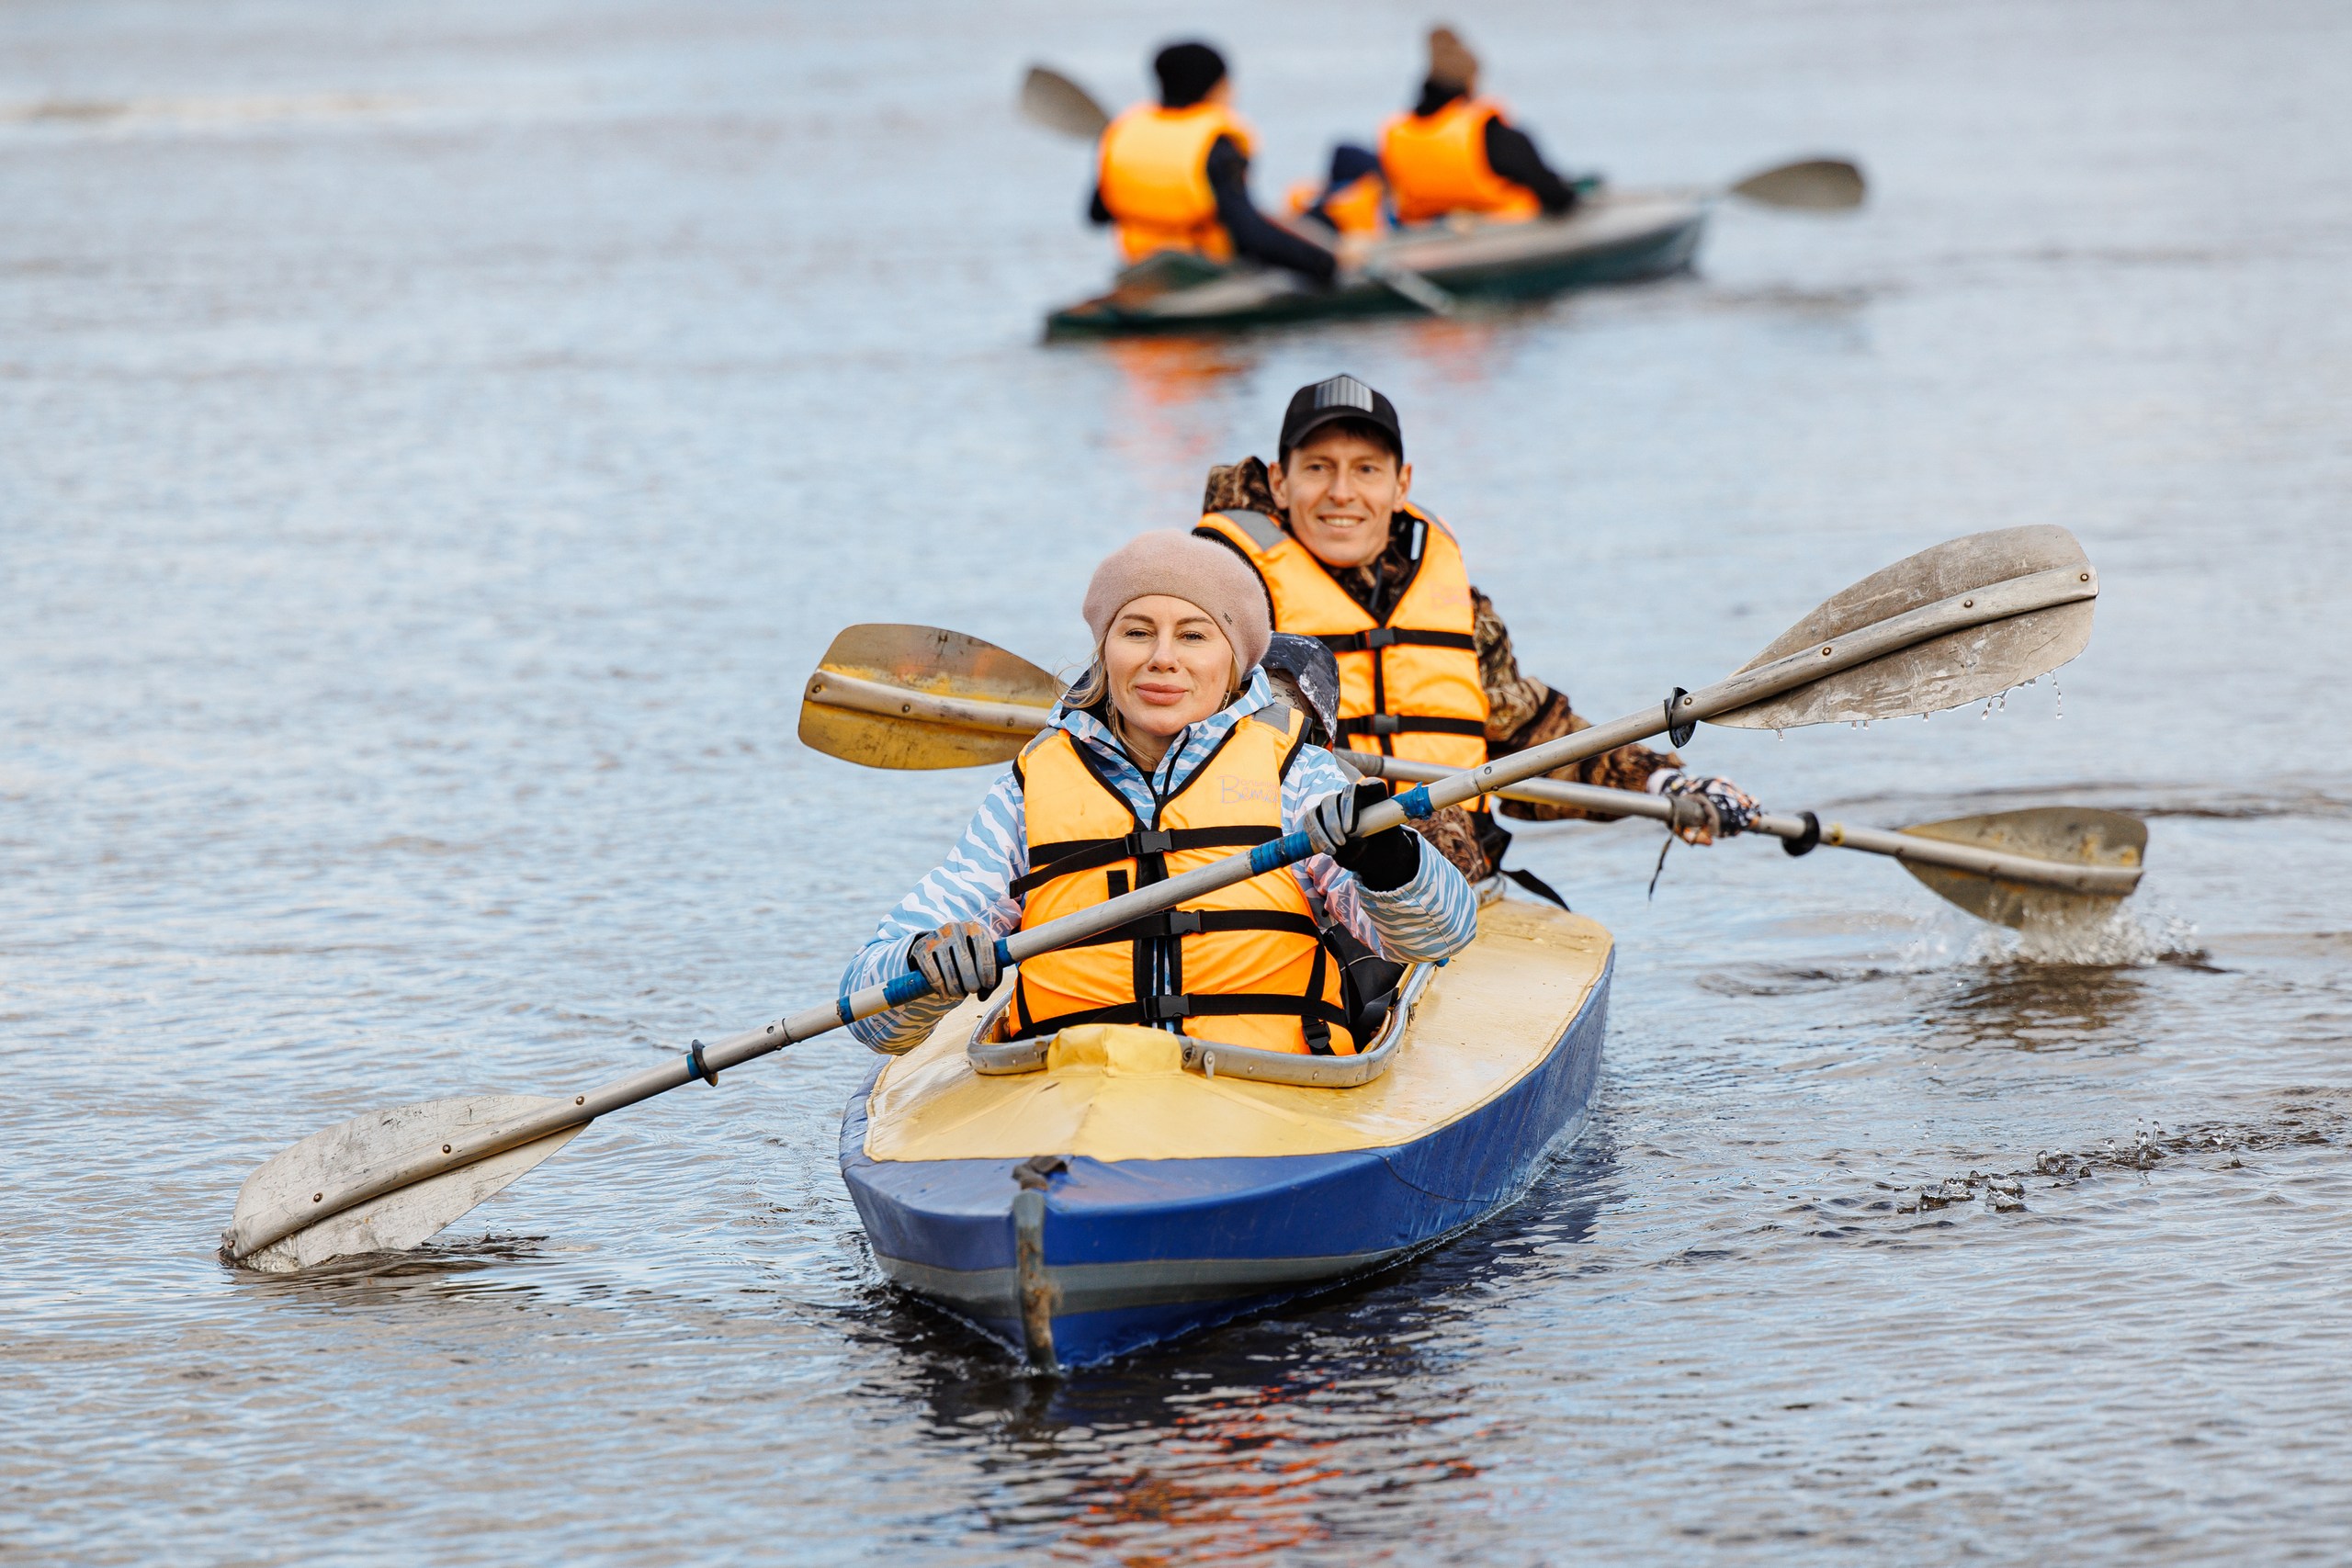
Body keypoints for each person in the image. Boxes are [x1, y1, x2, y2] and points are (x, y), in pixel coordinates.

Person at [841, 531, 1476, 1059]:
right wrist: (926, 960)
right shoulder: (1027, 792)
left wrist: (1387, 858)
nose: (1162, 659)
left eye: (1195, 636)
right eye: (1137, 632)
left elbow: (1441, 937)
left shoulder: (1297, 777)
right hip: (1072, 1095)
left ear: (1235, 665)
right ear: (1105, 651)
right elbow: (871, 1013)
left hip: (1269, 1091)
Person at [1195, 374, 1758, 889]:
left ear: (1400, 485)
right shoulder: (1220, 601)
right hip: (1306, 889)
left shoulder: (1460, 607)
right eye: (1318, 467)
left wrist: (1667, 785)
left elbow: (1530, 737)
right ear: (1280, 481)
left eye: (1366, 469)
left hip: (1461, 886)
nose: (1342, 492)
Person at [1090, 41, 1338, 284]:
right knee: (1322, 217)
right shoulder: (1216, 145)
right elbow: (1249, 236)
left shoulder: (1123, 134)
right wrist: (1325, 264)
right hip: (1204, 270)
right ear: (1215, 88)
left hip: (1140, 266)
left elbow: (1097, 214)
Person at [1379, 26, 1583, 226]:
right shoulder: (1490, 134)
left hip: (1425, 238)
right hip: (1504, 237)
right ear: (1470, 83)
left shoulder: (1397, 133)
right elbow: (1556, 196)